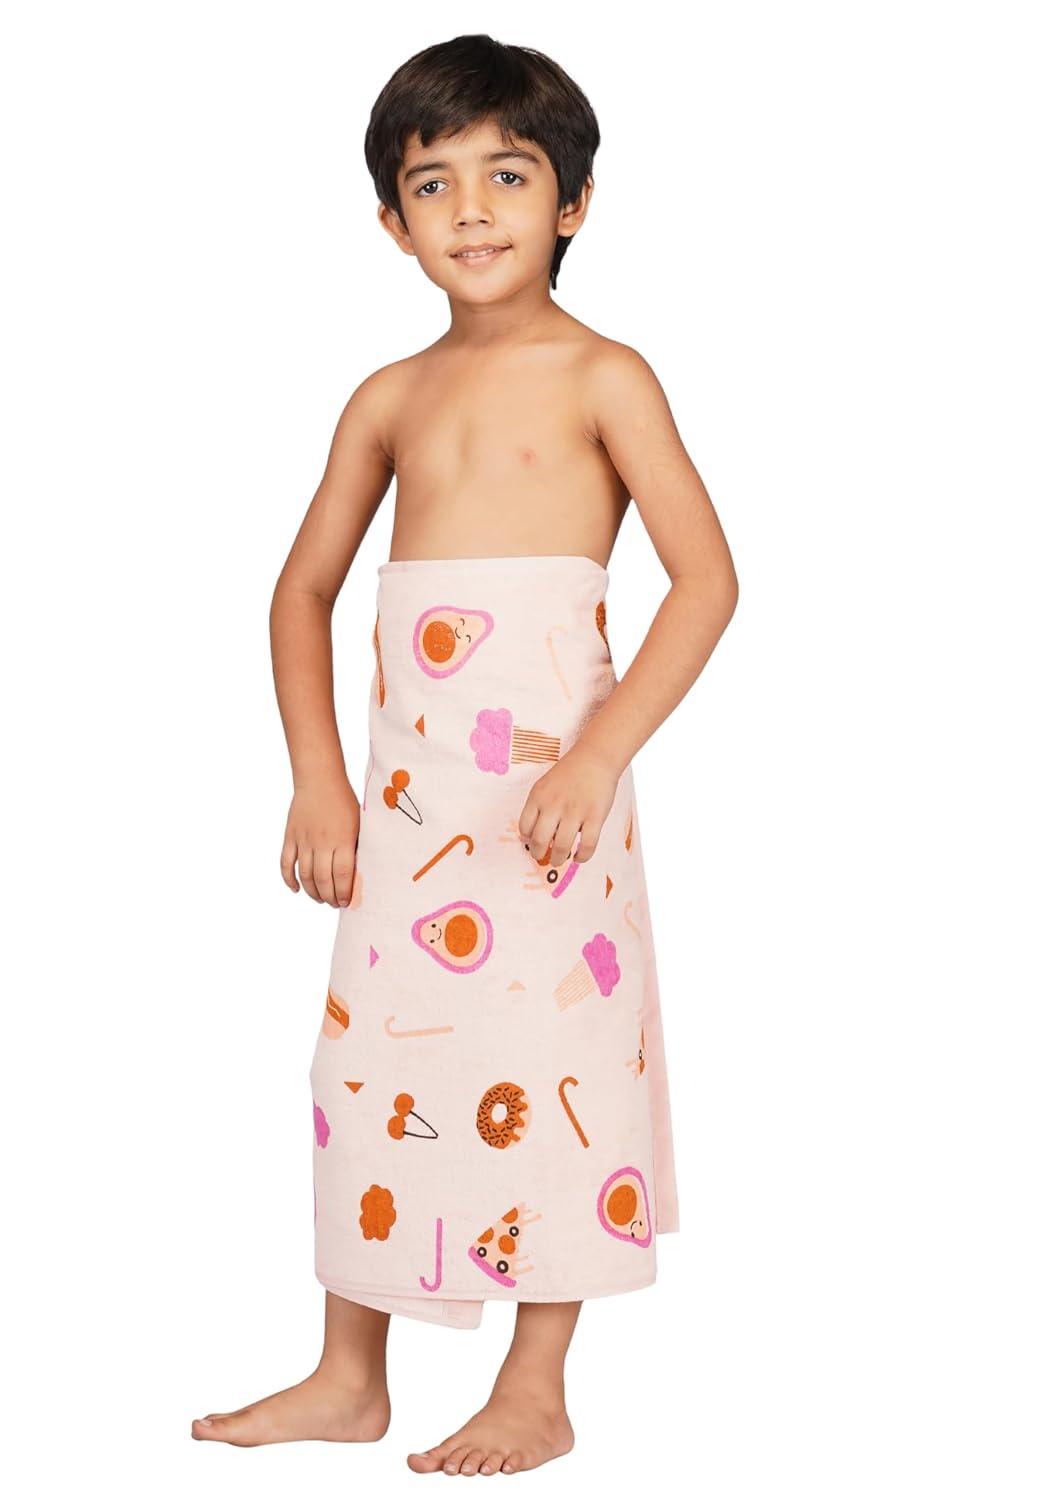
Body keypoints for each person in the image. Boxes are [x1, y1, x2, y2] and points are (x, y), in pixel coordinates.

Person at [192, 32, 738, 1478]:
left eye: (509, 174)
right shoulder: (387, 397)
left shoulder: (605, 375)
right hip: (408, 807)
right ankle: (348, 1374)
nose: (473, 209)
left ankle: (535, 1384)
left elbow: (706, 581)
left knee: (561, 1062)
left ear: (574, 202)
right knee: (368, 1068)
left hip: (551, 805)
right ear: (392, 222)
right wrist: (318, 779)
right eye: (433, 184)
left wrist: (596, 760)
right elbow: (300, 593)